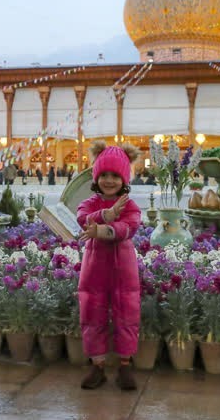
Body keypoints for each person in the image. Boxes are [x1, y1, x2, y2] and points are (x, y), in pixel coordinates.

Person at [77, 141, 141, 391]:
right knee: (93, 311)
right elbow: (82, 217)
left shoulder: (130, 205)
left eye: (115, 175)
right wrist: (105, 215)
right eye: (104, 174)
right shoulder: (91, 203)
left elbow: (129, 227)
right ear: (96, 176)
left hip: (124, 267)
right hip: (94, 267)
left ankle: (125, 364)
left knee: (127, 313)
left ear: (124, 179)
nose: (109, 180)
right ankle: (98, 365)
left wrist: (104, 229)